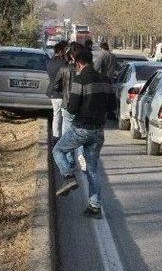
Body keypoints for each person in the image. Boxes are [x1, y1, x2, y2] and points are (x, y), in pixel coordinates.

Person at [52, 48, 115, 219]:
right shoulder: (106, 80)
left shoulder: (80, 80)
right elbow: (112, 107)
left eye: (75, 64)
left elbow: (72, 108)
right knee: (92, 170)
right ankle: (94, 207)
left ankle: (68, 176)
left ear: (78, 63)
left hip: (81, 129)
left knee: (57, 150)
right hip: (98, 131)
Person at [54, 42, 86, 172]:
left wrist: (64, 92)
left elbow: (56, 86)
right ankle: (81, 155)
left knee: (67, 134)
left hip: (67, 105)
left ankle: (69, 164)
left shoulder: (64, 69)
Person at [46, 40, 68, 140]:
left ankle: (55, 136)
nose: (65, 52)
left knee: (56, 115)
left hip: (53, 93)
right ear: (60, 51)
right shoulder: (63, 63)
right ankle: (63, 138)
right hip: (62, 93)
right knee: (64, 117)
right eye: (64, 51)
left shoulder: (49, 62)